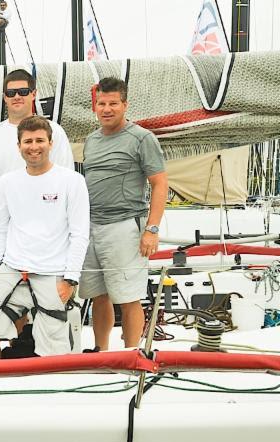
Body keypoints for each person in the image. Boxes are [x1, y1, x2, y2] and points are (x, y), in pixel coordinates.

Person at [0, 116, 89, 359]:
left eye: (40, 140)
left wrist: (70, 279)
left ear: (51, 143)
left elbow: (80, 234)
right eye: (28, 141)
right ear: (19, 146)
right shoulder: (8, 182)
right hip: (11, 270)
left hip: (54, 273)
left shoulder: (73, 181)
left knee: (55, 351)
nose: (34, 146)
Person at [79, 77, 168, 351]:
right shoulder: (91, 140)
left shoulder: (142, 138)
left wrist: (151, 230)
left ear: (125, 105)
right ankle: (100, 351)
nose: (107, 109)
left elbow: (160, 183)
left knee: (129, 297)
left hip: (125, 227)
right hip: (92, 227)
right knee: (98, 295)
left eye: (113, 103)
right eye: (101, 103)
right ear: (95, 106)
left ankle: (132, 356)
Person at [0, 69, 74, 177]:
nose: (17, 97)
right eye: (11, 93)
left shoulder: (54, 131)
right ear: (5, 97)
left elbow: (66, 174)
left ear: (33, 94)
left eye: (23, 92)